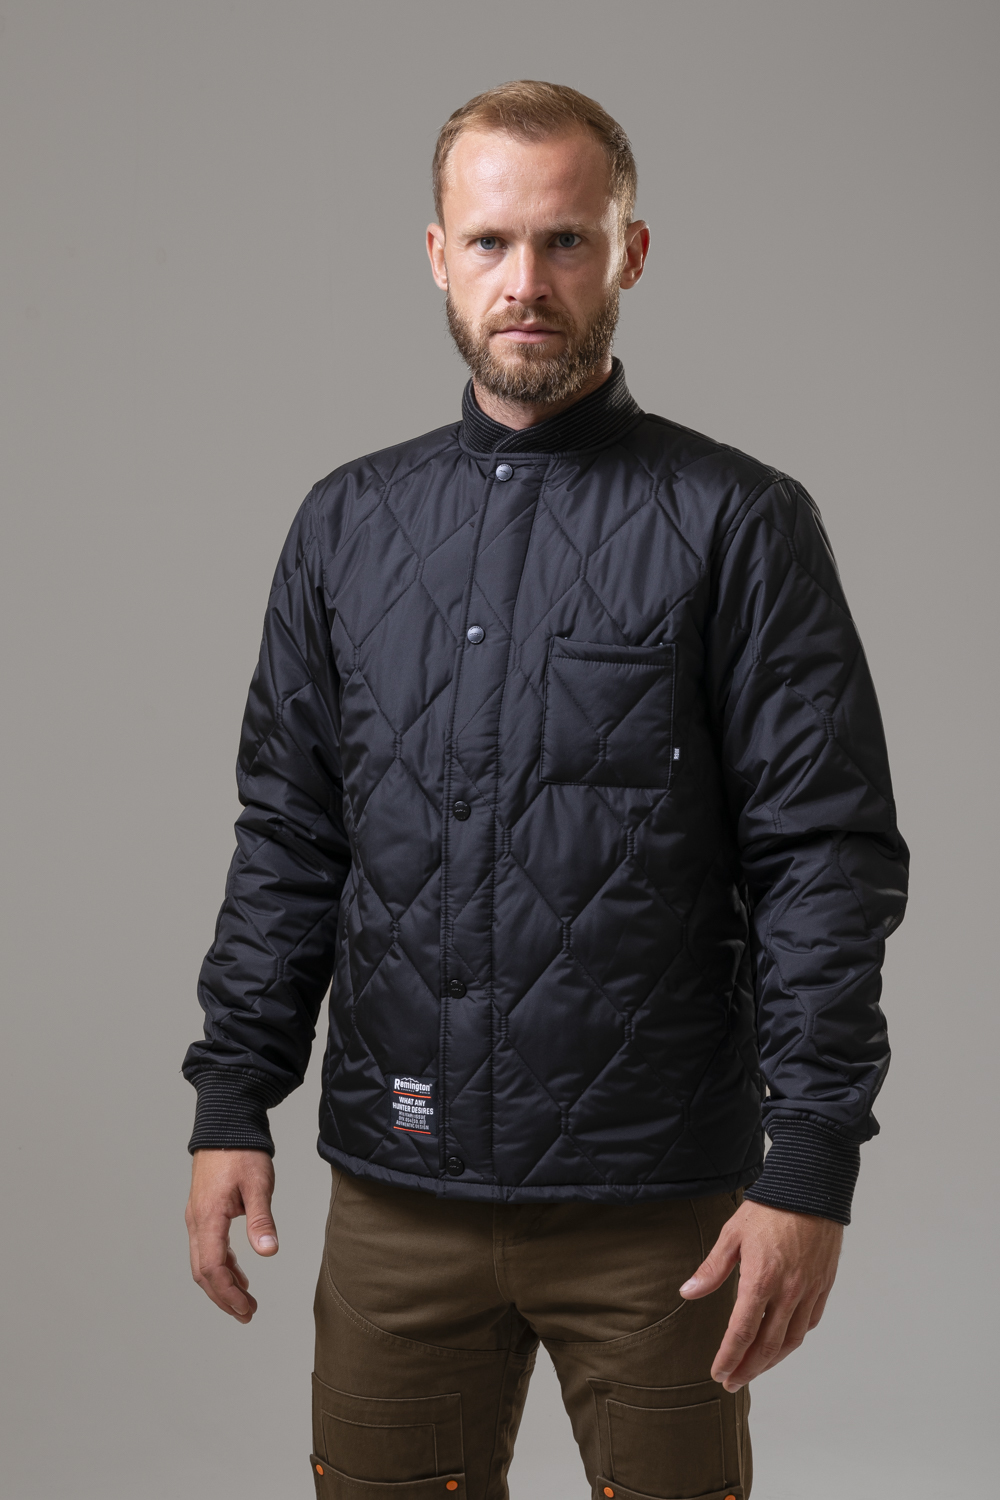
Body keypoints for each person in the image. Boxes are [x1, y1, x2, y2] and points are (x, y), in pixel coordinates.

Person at [183, 80, 908, 1500]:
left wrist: (811, 1161)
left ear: (629, 252)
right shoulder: (346, 524)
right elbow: (290, 837)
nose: (527, 280)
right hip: (397, 1197)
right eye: (492, 240)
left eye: (566, 240)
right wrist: (231, 1098)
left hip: (661, 1211)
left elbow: (825, 859)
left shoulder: (739, 523)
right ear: (438, 254)